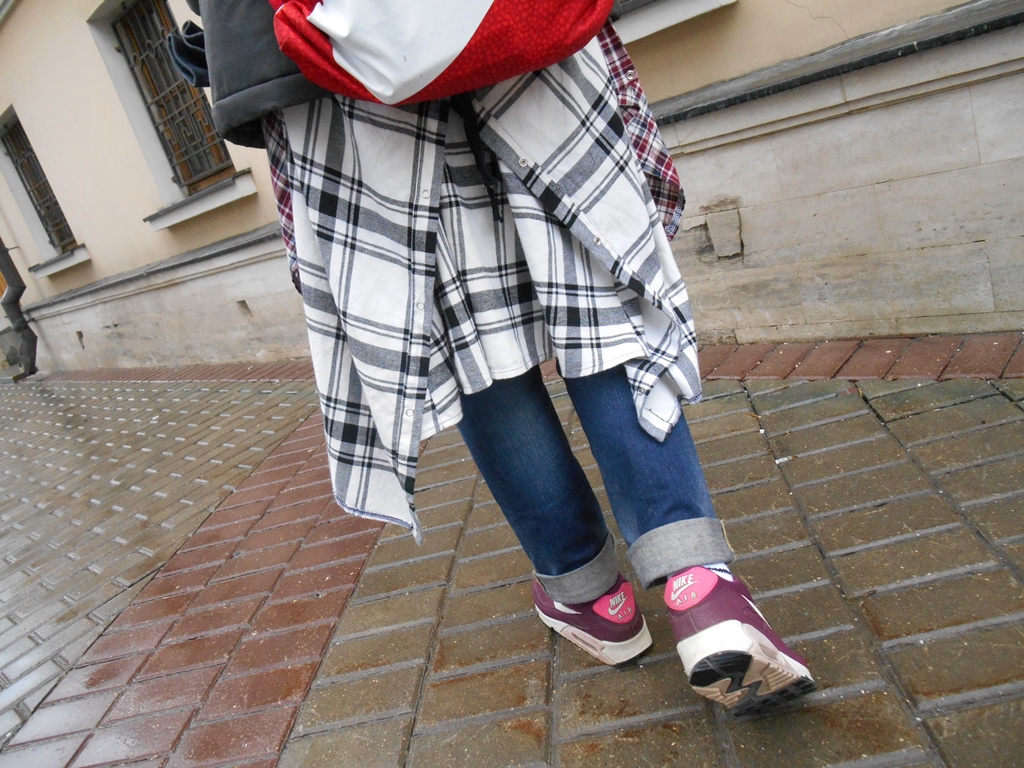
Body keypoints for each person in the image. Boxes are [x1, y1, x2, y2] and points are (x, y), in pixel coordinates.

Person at [175, 0, 814, 717]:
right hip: (512, 24)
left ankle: (590, 596)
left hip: (343, 71)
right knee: (593, 290)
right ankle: (703, 595)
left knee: (467, 333)